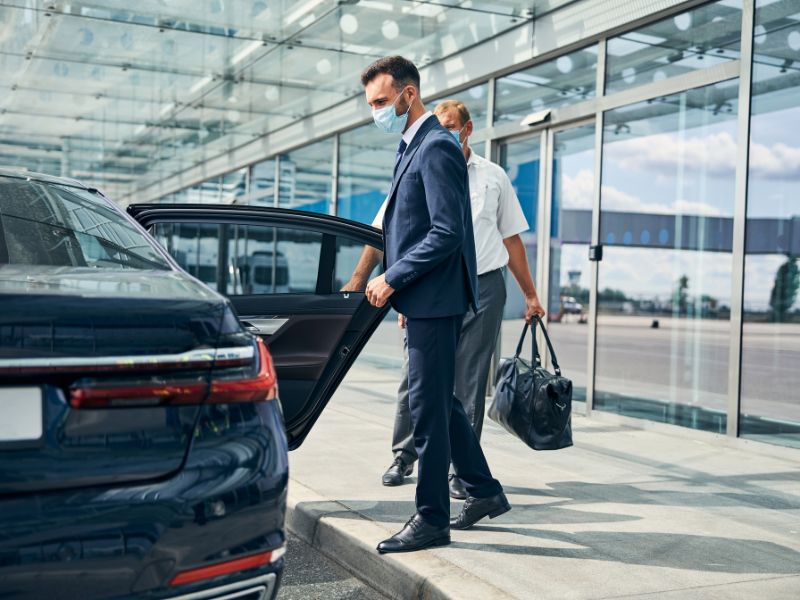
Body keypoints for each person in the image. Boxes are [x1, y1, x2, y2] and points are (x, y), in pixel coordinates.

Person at [343, 100, 545, 500]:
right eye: (440, 123)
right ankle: (407, 455)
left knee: (465, 382)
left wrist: (531, 294)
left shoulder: (492, 177)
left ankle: (460, 478)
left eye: (451, 125)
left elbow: (510, 239)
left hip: (483, 286)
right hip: (427, 286)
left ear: (467, 129)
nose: (444, 130)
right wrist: (365, 279)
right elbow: (384, 230)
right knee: (420, 383)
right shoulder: (418, 158)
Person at [358, 55, 509, 554]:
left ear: (408, 94)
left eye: (382, 101)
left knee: (426, 409)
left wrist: (392, 278)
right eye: (371, 104)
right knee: (440, 403)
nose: (377, 111)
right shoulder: (412, 147)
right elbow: (411, 229)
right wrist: (404, 290)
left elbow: (447, 231)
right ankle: (484, 491)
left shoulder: (437, 145)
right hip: (424, 299)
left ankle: (431, 518)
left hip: (437, 300)